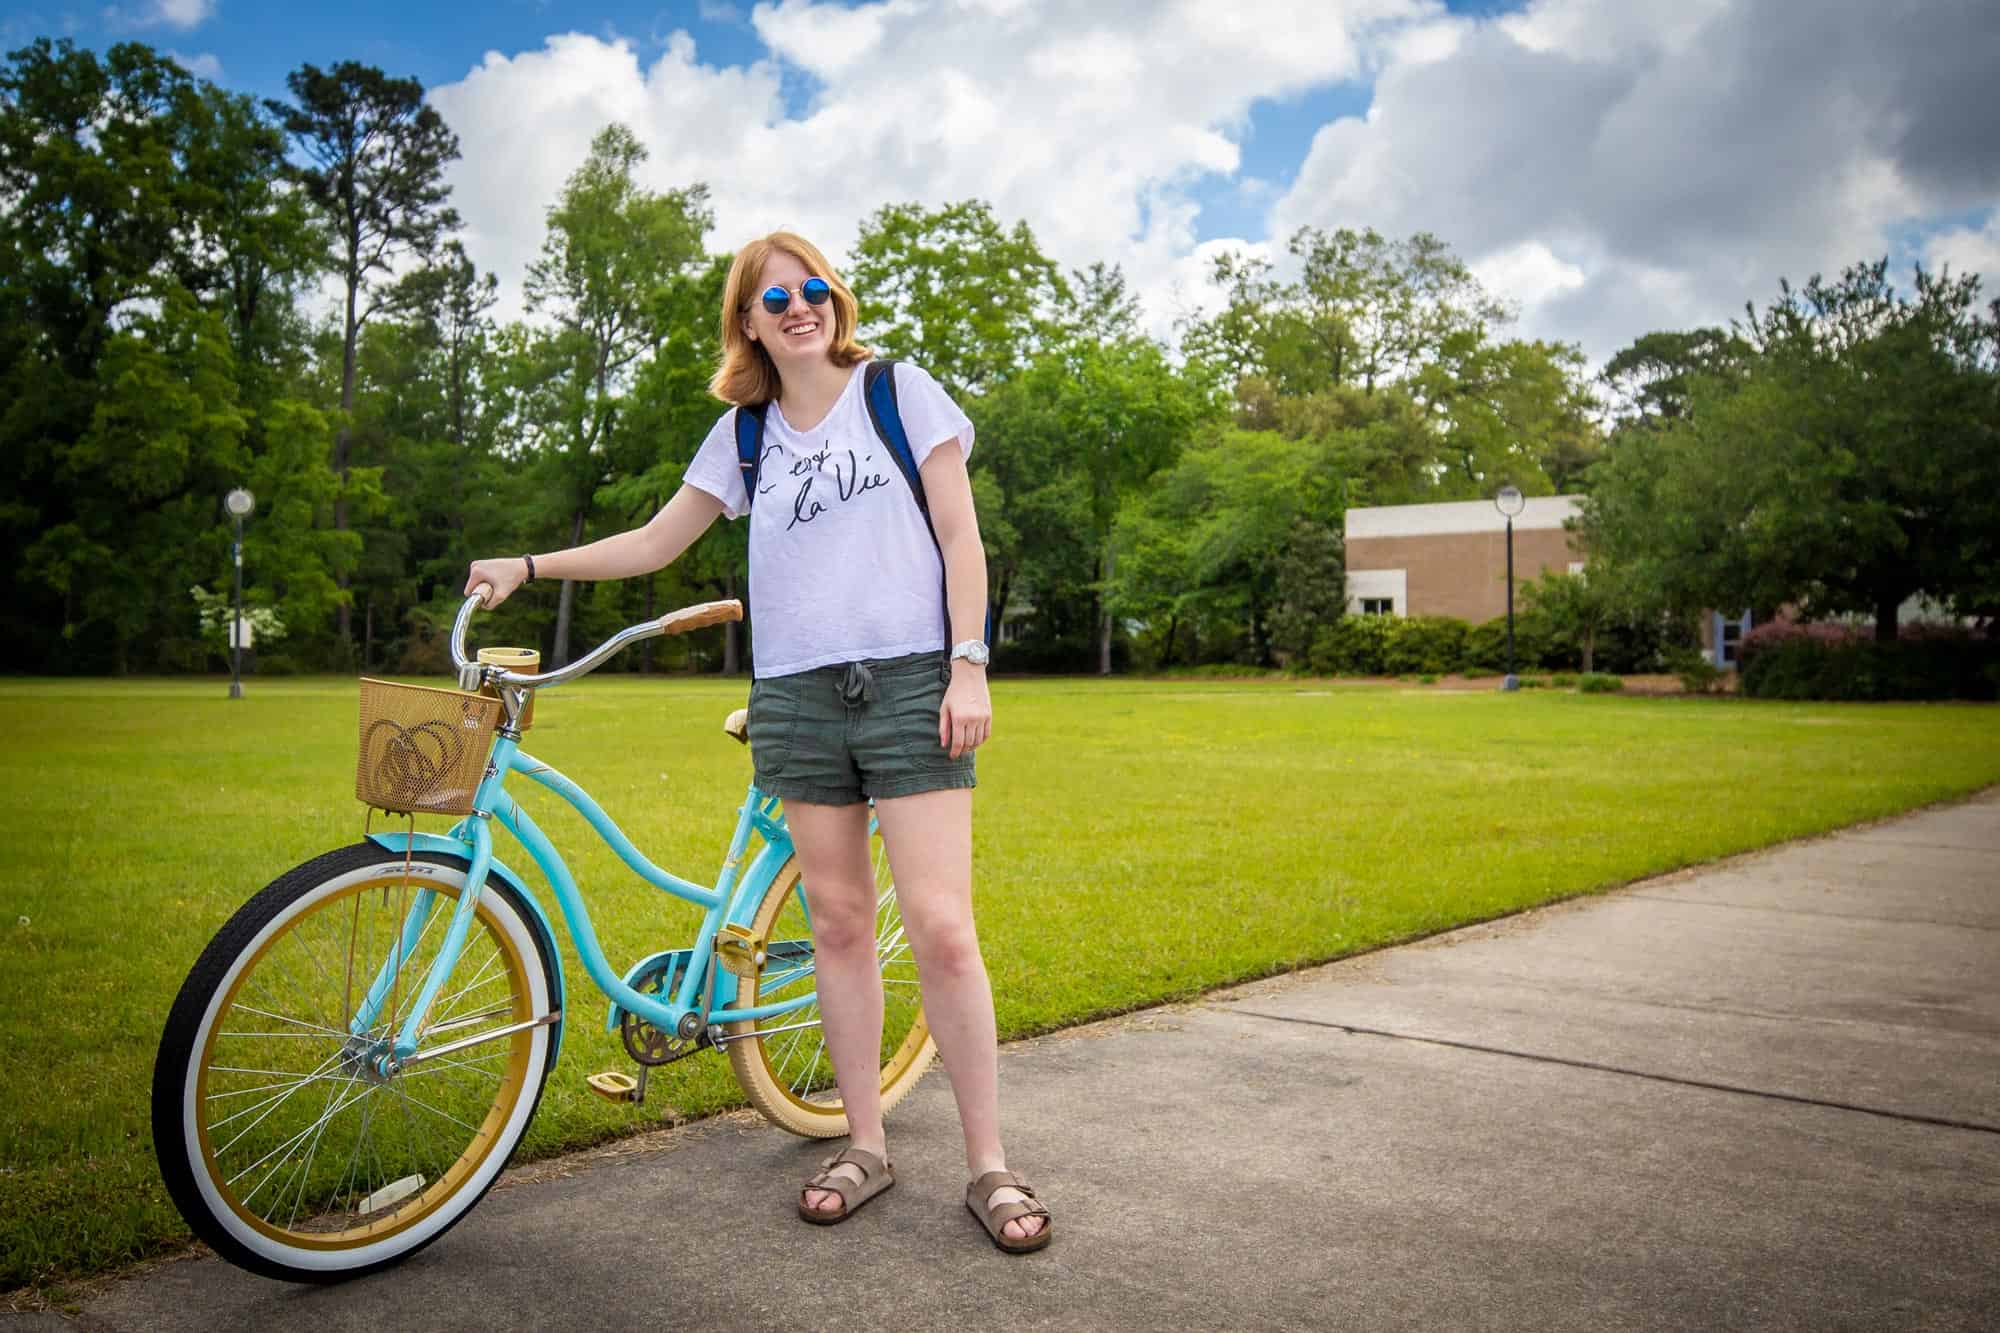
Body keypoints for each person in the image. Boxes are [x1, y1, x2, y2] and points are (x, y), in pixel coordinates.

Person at [464, 231, 1050, 1253]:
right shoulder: (743, 434)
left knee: (942, 928)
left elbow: (961, 536)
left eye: (813, 288)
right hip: (794, 693)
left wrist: (968, 664)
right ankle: (863, 1142)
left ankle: (989, 1162)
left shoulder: (897, 391)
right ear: (747, 320)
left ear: (835, 300)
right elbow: (654, 541)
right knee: (834, 923)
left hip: (913, 678)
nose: (798, 307)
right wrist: (526, 561)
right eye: (774, 297)